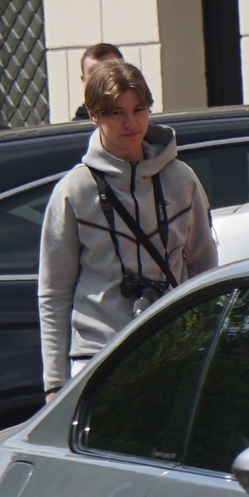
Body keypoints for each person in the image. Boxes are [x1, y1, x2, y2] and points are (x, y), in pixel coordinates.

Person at [38, 59, 215, 400]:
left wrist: (204, 347)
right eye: (116, 113)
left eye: (139, 109)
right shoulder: (74, 191)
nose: (131, 123)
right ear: (94, 115)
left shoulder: (182, 179)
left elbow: (203, 270)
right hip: (97, 358)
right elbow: (54, 293)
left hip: (175, 354)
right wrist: (55, 384)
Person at [69, 43, 124, 121]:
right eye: (94, 72)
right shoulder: (74, 131)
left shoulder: (143, 121)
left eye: (109, 69)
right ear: (84, 80)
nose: (102, 77)